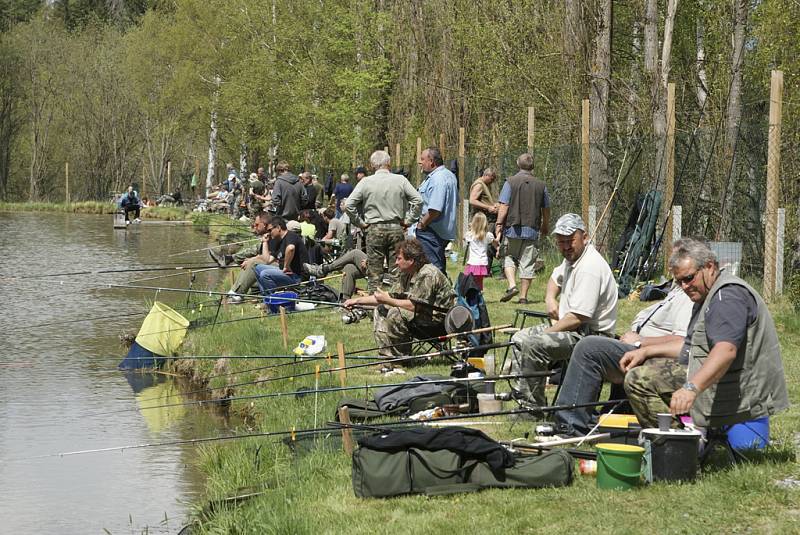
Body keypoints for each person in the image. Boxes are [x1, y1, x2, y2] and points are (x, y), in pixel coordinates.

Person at [621, 238, 789, 429]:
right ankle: (684, 439)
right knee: (648, 365)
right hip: (722, 379)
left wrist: (691, 388)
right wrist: (645, 352)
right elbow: (692, 348)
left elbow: (726, 351)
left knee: (639, 380)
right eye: (679, 282)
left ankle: (678, 448)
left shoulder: (726, 297)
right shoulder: (708, 295)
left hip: (740, 388)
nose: (684, 286)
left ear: (709, 267)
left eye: (689, 278)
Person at [552, 283, 693, 436]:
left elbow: (682, 340)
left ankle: (571, 424)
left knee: (589, 348)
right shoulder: (676, 290)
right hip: (640, 347)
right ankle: (604, 415)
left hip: (653, 354)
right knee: (596, 346)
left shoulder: (688, 295)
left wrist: (641, 342)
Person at [510, 213, 618, 409]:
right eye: (561, 242)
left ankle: (531, 409)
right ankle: (525, 400)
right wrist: (550, 298)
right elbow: (554, 279)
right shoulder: (572, 259)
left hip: (591, 337)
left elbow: (577, 318)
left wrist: (548, 332)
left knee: (533, 343)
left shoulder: (589, 267)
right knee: (518, 338)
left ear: (584, 237)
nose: (566, 247)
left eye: (570, 241)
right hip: (573, 330)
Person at [343, 238, 455, 358]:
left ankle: (401, 358)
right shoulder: (406, 273)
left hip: (438, 323)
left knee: (396, 313)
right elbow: (388, 297)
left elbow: (414, 306)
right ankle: (386, 357)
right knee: (381, 309)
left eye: (399, 258)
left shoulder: (427, 274)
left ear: (411, 260)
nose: (396, 262)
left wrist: (388, 300)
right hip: (421, 316)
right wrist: (355, 301)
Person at [345, 150, 423, 292]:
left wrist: (360, 223)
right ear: (389, 163)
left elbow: (349, 205)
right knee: (398, 271)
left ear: (372, 165)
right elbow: (418, 200)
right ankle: (396, 304)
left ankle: (375, 307)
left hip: (374, 229)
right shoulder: (400, 180)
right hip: (396, 228)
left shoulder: (365, 182)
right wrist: (409, 220)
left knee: (374, 274)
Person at [495, 153, 550, 304]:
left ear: (518, 164)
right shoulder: (541, 185)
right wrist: (545, 225)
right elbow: (546, 208)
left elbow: (504, 205)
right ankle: (523, 297)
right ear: (532, 166)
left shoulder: (510, 182)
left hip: (513, 228)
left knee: (508, 256)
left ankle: (512, 285)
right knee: (528, 262)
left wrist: (499, 224)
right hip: (532, 229)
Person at [416, 147, 458, 272]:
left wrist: (422, 224)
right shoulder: (449, 175)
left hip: (431, 231)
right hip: (441, 231)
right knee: (437, 263)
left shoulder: (437, 179)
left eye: (423, 159)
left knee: (432, 269)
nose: (420, 162)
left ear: (432, 161)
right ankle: (443, 290)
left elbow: (435, 209)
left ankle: (437, 291)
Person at [220, 211, 274, 304]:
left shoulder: (273, 236)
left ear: (264, 224)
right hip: (273, 265)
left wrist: (252, 260)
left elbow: (268, 259)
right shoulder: (267, 236)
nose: (254, 227)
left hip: (282, 269)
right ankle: (238, 292)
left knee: (253, 263)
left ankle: (237, 295)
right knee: (251, 261)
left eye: (257, 225)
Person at [254, 216, 309, 292]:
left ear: (278, 227)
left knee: (265, 274)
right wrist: (265, 242)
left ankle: (275, 298)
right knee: (257, 268)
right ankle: (266, 296)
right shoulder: (278, 241)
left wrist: (286, 266)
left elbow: (290, 248)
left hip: (296, 276)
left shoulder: (291, 236)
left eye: (270, 230)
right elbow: (267, 260)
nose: (268, 233)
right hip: (285, 273)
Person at [463, 212, 498, 291]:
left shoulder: (470, 234)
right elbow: (495, 242)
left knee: (469, 282)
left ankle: (470, 296)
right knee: (479, 282)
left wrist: (471, 228)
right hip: (482, 263)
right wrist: (498, 236)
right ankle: (478, 296)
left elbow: (463, 238)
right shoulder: (488, 235)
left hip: (472, 262)